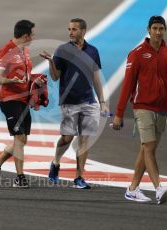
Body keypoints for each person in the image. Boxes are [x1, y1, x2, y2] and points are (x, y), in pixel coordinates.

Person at [112, 16, 167, 204]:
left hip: (162, 109)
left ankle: (132, 189)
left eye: (161, 28)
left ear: (165, 30)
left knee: (146, 150)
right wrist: (119, 113)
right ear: (149, 30)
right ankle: (158, 188)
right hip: (142, 107)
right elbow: (127, 85)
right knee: (149, 148)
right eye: (155, 28)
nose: (158, 31)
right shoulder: (137, 53)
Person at [40, 18, 107, 189]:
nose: (70, 32)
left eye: (74, 29)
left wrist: (102, 101)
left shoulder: (93, 51)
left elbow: (96, 78)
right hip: (69, 102)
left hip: (89, 102)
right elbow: (55, 77)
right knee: (67, 138)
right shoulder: (62, 50)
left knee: (84, 139)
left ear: (83, 31)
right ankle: (55, 162)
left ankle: (79, 177)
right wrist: (50, 62)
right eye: (69, 29)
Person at [0, 20, 43, 188]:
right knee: (19, 138)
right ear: (25, 35)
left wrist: (34, 81)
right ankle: (20, 177)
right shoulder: (6, 51)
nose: (34, 36)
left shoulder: (24, 50)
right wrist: (12, 79)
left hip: (23, 100)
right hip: (10, 100)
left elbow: (25, 76)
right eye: (32, 34)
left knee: (22, 140)